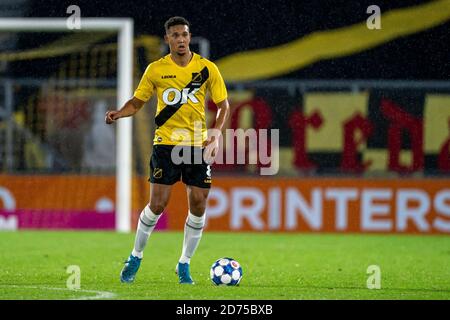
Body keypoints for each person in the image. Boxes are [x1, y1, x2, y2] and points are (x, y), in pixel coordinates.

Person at [105, 16, 229, 284]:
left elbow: (223, 105)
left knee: (198, 203)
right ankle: (136, 255)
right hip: (166, 144)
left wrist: (216, 132)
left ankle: (184, 264)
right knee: (158, 204)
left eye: (184, 34)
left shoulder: (207, 69)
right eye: (175, 35)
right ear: (167, 39)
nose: (181, 39)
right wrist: (119, 113)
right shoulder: (156, 70)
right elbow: (137, 103)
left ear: (189, 36)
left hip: (198, 145)